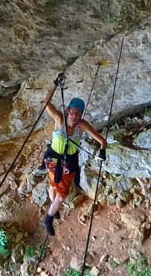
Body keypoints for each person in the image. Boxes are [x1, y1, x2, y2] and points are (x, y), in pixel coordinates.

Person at [41, 74, 107, 236]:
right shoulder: (59, 119)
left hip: (67, 163)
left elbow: (101, 140)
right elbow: (46, 103)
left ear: (81, 115)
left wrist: (102, 151)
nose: (74, 116)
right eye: (72, 112)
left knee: (57, 189)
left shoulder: (82, 125)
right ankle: (49, 217)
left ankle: (53, 209)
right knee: (58, 191)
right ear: (68, 110)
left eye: (78, 113)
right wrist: (55, 85)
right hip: (54, 160)